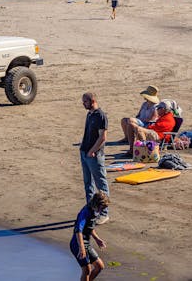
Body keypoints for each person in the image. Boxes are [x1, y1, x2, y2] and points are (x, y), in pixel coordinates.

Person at [79, 92, 110, 223]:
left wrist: (92, 151)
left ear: (92, 101)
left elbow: (103, 137)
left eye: (85, 101)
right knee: (88, 184)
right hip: (84, 152)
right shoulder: (89, 114)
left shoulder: (101, 116)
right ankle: (91, 210)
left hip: (94, 155)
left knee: (100, 184)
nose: (83, 104)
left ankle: (104, 213)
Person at [69, 191, 109, 281]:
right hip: (77, 244)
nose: (101, 211)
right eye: (101, 208)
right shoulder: (86, 212)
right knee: (87, 270)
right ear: (96, 204)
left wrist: (97, 239)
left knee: (99, 266)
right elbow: (78, 230)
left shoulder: (95, 211)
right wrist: (82, 248)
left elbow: (89, 227)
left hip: (86, 243)